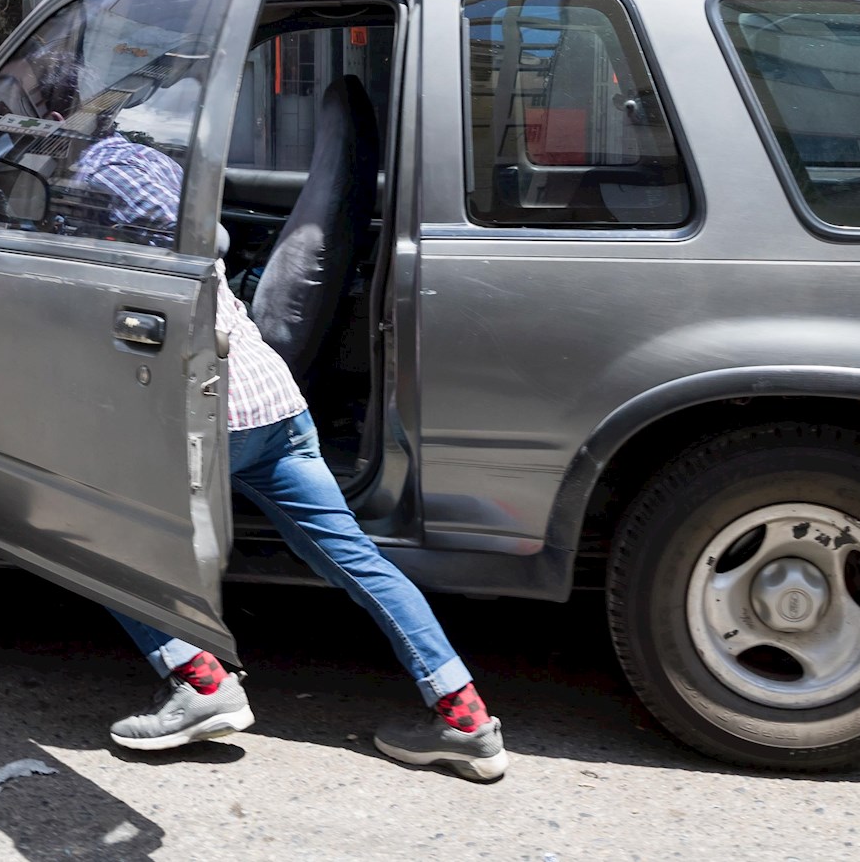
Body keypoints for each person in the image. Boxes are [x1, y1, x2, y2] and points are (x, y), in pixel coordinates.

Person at [28, 47, 509, 782]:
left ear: (55, 118)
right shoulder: (143, 158)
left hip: (203, 411)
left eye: (22, 114)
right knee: (358, 563)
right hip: (273, 401)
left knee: (95, 529)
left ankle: (200, 685)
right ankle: (465, 717)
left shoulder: (96, 172)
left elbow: (195, 245)